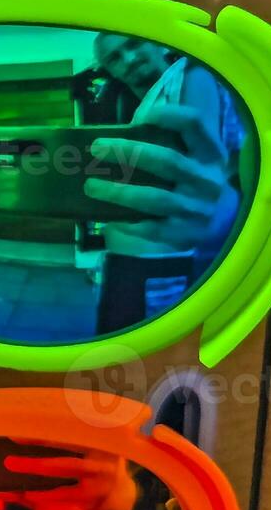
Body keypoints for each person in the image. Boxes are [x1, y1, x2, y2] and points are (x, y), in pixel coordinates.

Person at [83, 34, 245, 329]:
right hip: (121, 264)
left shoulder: (190, 74)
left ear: (157, 41)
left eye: (132, 45)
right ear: (109, 69)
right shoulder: (118, 103)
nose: (129, 60)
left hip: (165, 264)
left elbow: (220, 170)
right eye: (115, 59)